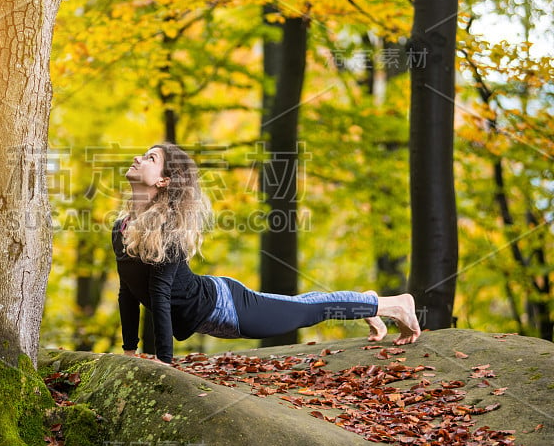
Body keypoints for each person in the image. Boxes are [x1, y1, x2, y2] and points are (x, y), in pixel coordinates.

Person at [113, 142, 421, 365]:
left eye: (151, 157)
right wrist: (129, 351)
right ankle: (367, 304)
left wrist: (164, 364)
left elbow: (160, 293)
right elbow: (127, 290)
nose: (138, 157)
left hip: (229, 306)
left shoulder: (170, 230)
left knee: (306, 309)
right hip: (209, 312)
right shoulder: (123, 228)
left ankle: (393, 305)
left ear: (165, 180)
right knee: (307, 308)